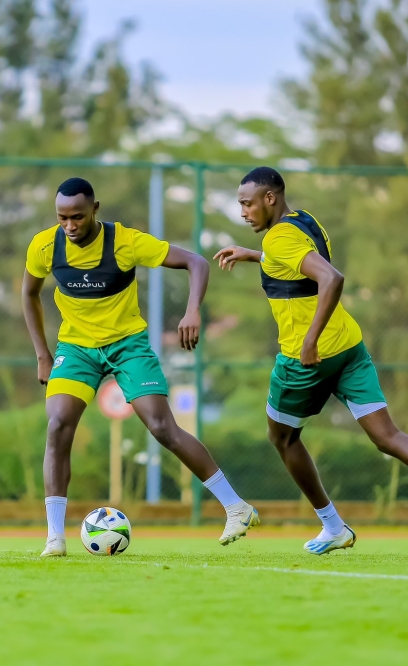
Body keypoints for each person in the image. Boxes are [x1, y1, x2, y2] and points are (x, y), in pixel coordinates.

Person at [214, 166, 408, 555]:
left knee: (282, 437)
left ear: (269, 199)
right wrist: (255, 255)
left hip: (306, 358)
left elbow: (331, 278)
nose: (242, 212)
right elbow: (298, 265)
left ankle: (333, 526)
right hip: (348, 347)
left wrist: (310, 340)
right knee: (387, 436)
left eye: (247, 203)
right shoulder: (303, 221)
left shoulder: (279, 240)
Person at [22, 177, 258, 557]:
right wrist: (42, 353)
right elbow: (29, 293)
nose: (70, 226)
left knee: (163, 427)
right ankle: (54, 537)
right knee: (58, 425)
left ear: (95, 210)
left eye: (78, 217)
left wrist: (192, 311)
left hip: (128, 344)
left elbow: (196, 263)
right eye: (63, 218)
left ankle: (237, 507)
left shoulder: (126, 242)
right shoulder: (45, 246)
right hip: (77, 348)